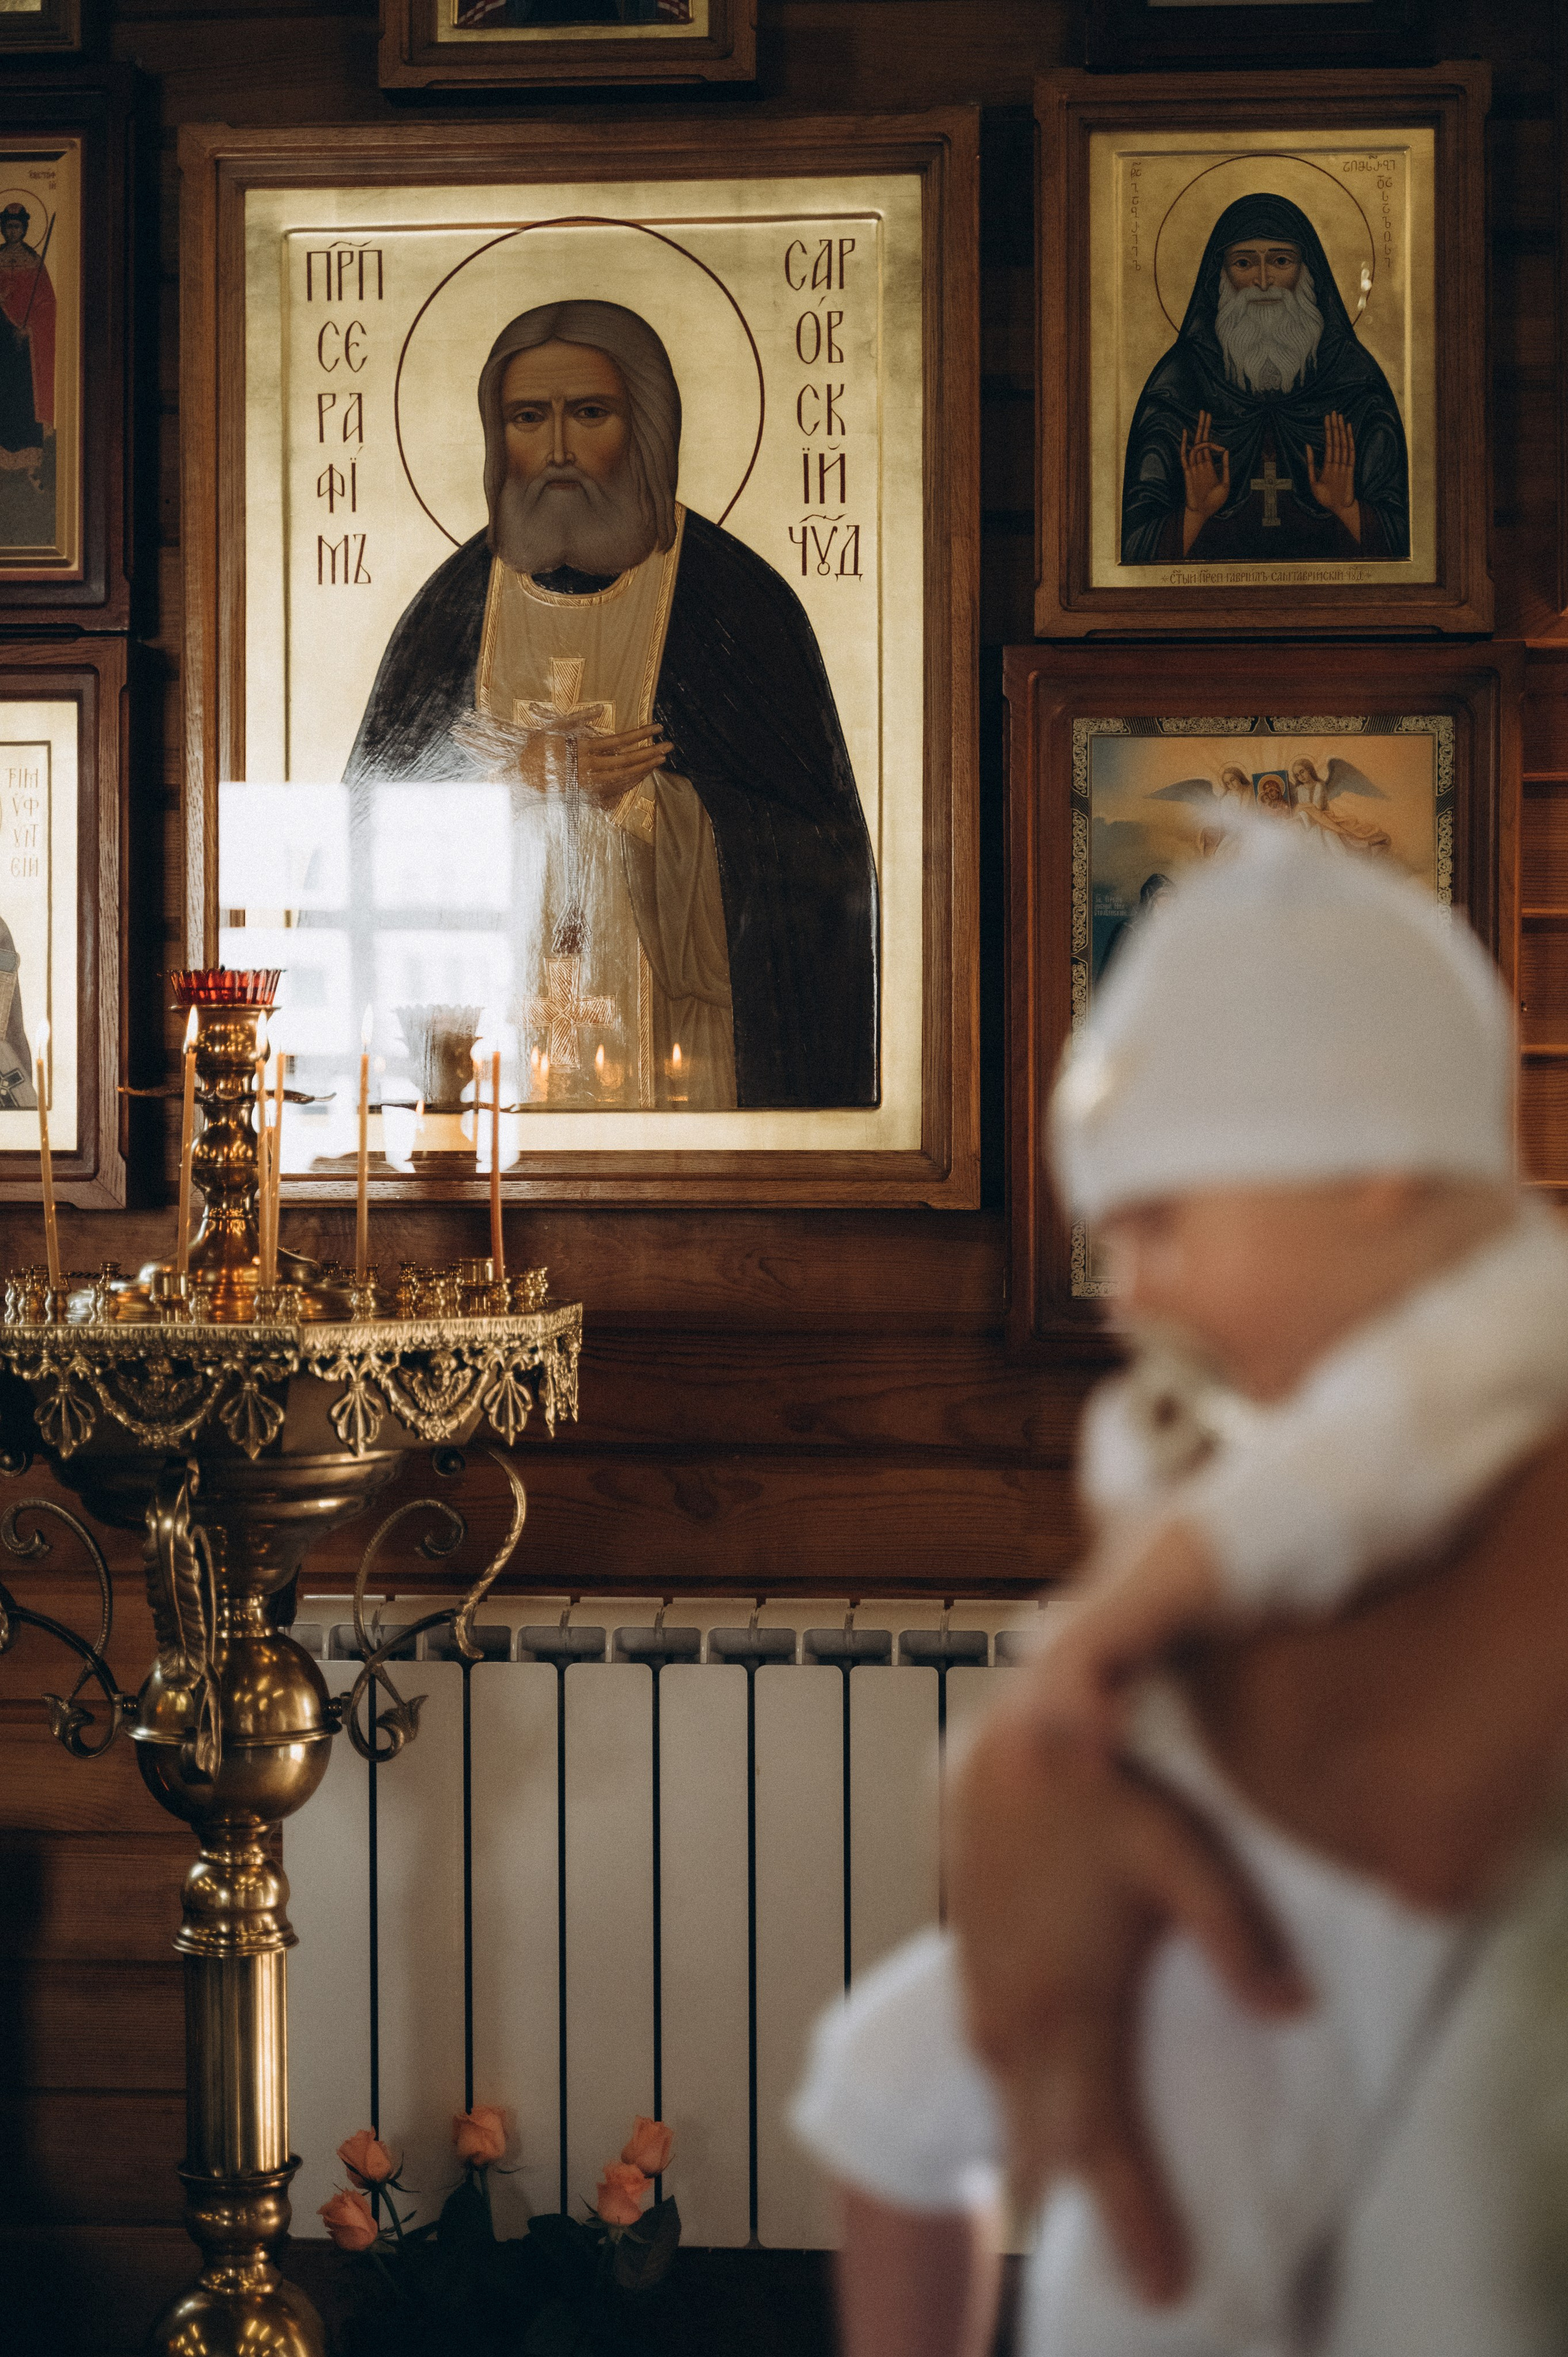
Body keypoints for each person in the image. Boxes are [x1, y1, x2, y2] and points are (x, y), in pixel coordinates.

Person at [793, 826, 1568, 2354]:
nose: (1127, 1285)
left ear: (1365, 1172)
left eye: (1157, 1221)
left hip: (1332, 1957)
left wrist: (1107, 1624)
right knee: (899, 2092)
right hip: (1204, 1906)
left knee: (1156, 2271)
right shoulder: (1217, 1394)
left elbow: (1337, 1484)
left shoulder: (1507, 1323)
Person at [345, 300, 878, 1113]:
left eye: (588, 413)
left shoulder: (734, 602)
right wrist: (491, 792)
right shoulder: (449, 612)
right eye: (529, 418)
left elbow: (824, 873)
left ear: (648, 426)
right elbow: (357, 859)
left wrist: (653, 810)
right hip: (482, 1102)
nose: (557, 449)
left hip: (688, 1086)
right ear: (498, 436)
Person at [1120, 195, 1409, 566]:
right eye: (1243, 263)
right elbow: (1131, 549)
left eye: (1280, 261)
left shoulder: (1354, 383)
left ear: (1307, 272)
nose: (1262, 281)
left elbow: (1410, 545)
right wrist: (1194, 516)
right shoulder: (1181, 385)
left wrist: (1349, 510)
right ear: (1220, 276)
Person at [0, 200, 54, 490]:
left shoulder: (34, 262)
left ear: (24, 229)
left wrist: (30, 328)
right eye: (8, 227)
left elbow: (47, 304)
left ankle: (31, 467)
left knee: (22, 398)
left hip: (23, 348)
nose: (12, 232)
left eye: (17, 227)